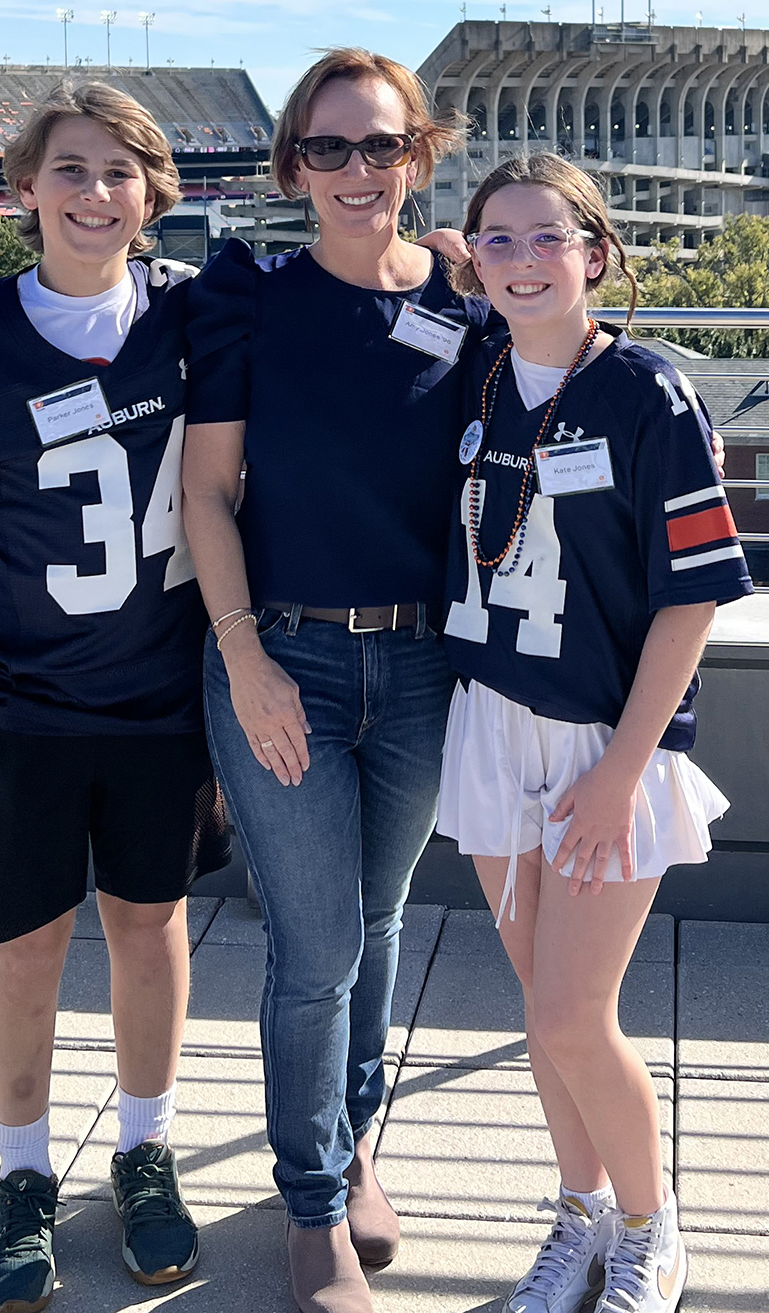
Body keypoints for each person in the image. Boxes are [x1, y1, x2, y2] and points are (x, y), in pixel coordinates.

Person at [0, 83, 229, 1313]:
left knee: (149, 922)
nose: (94, 192)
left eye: (119, 171)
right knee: (25, 942)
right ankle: (19, 1172)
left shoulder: (192, 313)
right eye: (69, 168)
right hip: (21, 695)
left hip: (164, 693)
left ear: (154, 192)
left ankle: (143, 1144)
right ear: (25, 188)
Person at [181, 48, 485, 1313]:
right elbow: (206, 492)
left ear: (420, 153)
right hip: (284, 652)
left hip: (422, 664)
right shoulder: (253, 299)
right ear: (292, 164)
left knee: (381, 921)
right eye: (328, 148)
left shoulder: (470, 302)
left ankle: (355, 1139)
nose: (357, 172)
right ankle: (312, 1202)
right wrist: (245, 657)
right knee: (313, 946)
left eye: (381, 146)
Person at [437, 152, 752, 1313]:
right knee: (542, 1011)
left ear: (595, 254)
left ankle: (654, 1226)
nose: (522, 259)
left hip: (602, 744)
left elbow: (694, 593)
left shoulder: (648, 393)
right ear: (471, 255)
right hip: (489, 723)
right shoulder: (474, 377)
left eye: (546, 237)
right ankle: (580, 1217)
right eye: (497, 239)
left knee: (576, 1011)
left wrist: (628, 764)